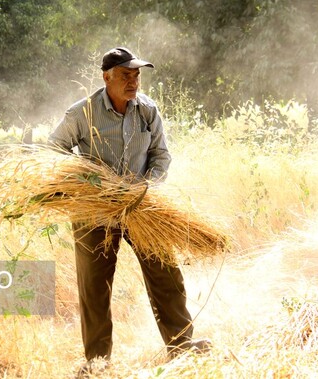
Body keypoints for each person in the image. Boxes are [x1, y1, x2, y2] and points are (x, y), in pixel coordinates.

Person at [48, 47, 210, 377]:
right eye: (125, 75)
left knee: (166, 274)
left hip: (141, 209)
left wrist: (145, 188)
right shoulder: (83, 113)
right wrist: (88, 183)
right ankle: (97, 362)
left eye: (136, 74)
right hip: (94, 213)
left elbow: (161, 156)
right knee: (95, 287)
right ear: (106, 78)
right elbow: (54, 150)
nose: (133, 81)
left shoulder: (147, 110)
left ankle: (181, 346)